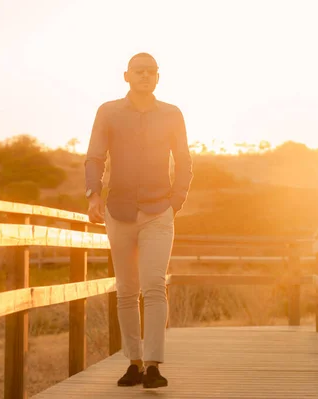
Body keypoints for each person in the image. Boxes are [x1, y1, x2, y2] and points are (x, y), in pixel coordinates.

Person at [84, 52, 193, 389]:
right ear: (126, 76)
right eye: (139, 71)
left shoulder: (172, 114)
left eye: (151, 72)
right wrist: (93, 194)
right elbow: (95, 156)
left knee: (154, 285)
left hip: (158, 212)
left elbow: (185, 161)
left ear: (158, 78)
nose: (145, 76)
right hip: (119, 211)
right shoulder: (109, 112)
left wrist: (175, 202)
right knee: (127, 291)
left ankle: (153, 365)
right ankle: (133, 362)